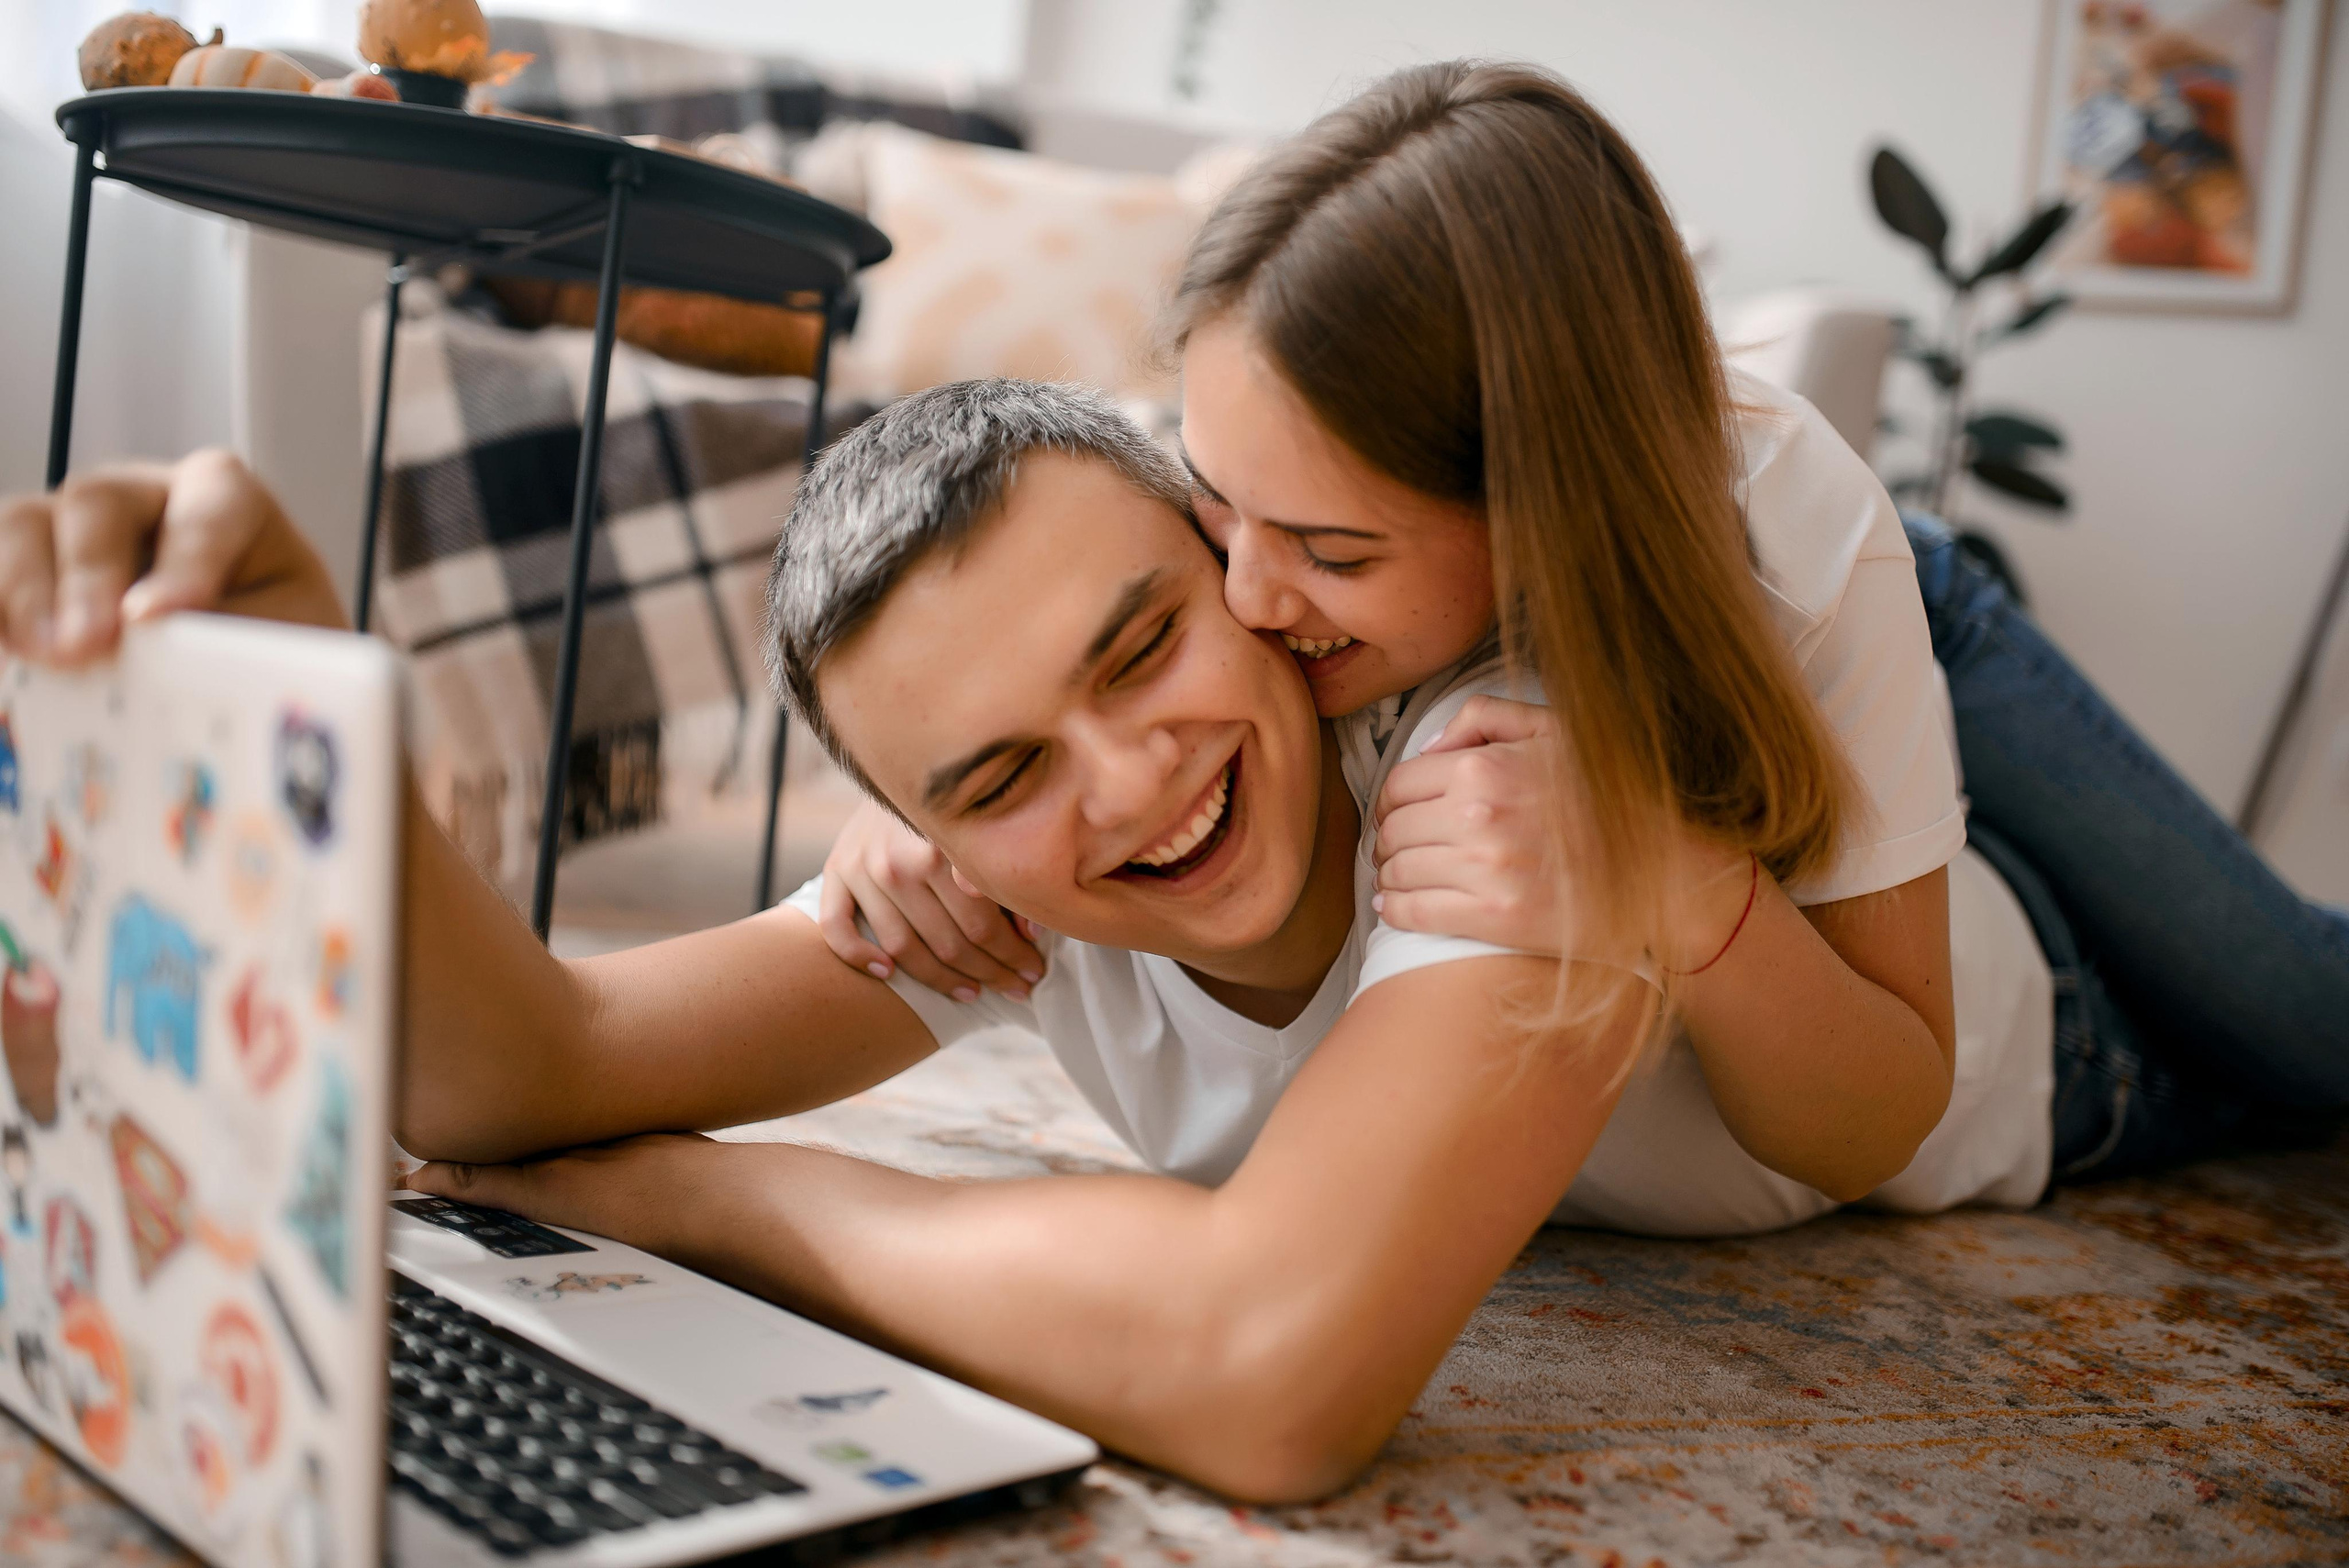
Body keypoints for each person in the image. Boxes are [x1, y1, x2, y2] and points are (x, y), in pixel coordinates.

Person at [1, 384, 1659, 1504]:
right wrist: (300, 652)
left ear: (1240, 561)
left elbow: (1266, 1370)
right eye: (998, 778)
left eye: (1144, 645)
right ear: (925, 832)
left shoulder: (1501, 775)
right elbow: (529, 1072)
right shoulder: (994, 892)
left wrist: (703, 1198)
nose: (1128, 779)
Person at [818, 60, 2349, 1221]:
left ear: (1534, 520)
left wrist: (1680, 889)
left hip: (1904, 699)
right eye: (1217, 504)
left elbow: (1882, 1104)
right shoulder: (1277, 512)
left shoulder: (1798, 538)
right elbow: (1037, 649)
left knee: (2304, 1028)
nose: (1255, 597)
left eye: (1333, 551)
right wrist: (915, 805)